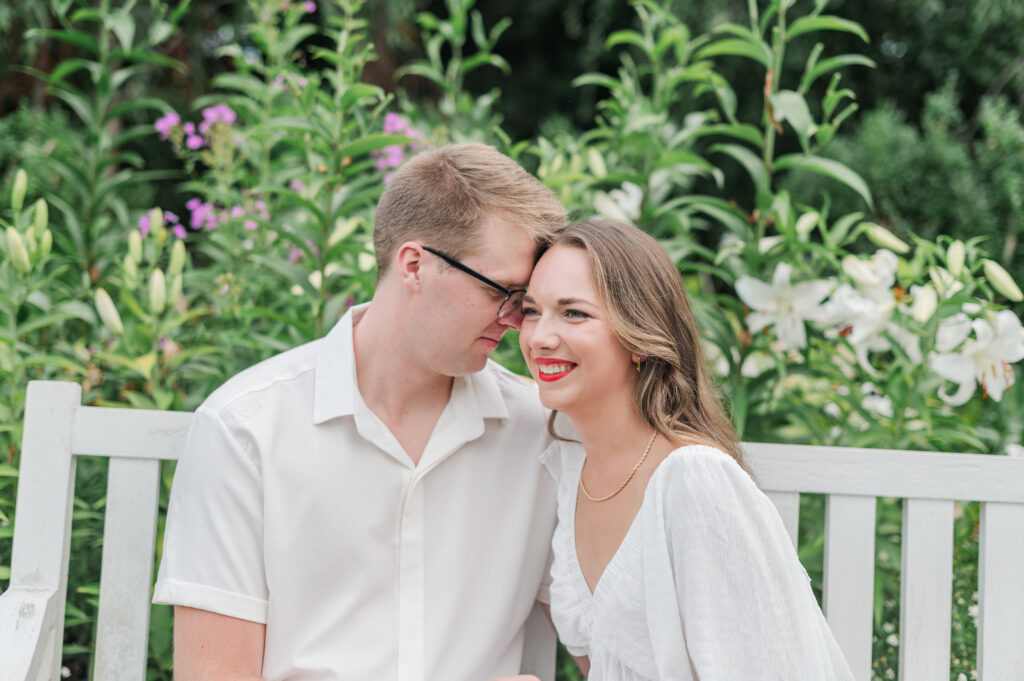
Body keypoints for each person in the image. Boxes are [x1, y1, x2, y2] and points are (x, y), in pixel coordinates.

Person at [153, 143, 568, 681]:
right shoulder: (245, 428)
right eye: (503, 293)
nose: (516, 321)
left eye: (524, 300)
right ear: (415, 265)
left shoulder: (540, 431)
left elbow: (616, 643)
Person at [519, 219, 854, 680]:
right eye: (531, 310)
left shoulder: (695, 479)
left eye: (574, 313)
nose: (538, 338)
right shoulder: (572, 467)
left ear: (639, 337)